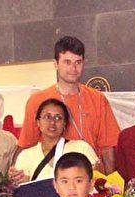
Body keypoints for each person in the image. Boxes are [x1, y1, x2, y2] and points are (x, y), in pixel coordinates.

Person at [18, 36, 120, 174]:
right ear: (55, 63)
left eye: (78, 62)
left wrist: (110, 187)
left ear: (84, 63)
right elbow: (26, 145)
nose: (73, 68)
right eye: (67, 62)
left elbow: (108, 147)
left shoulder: (98, 99)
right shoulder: (37, 100)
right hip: (52, 179)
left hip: (92, 178)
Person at [10, 98, 98, 184]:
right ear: (38, 122)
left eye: (58, 118)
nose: (52, 122)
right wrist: (19, 181)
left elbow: (95, 183)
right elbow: (22, 192)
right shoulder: (26, 156)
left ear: (64, 123)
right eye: (47, 117)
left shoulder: (81, 148)